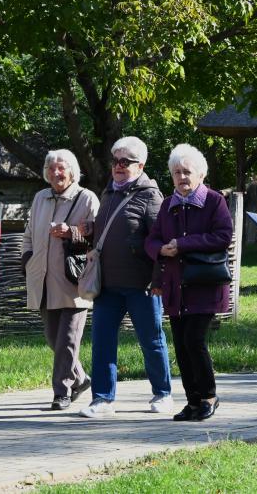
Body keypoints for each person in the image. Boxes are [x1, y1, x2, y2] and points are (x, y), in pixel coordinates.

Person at [78, 136, 173, 418]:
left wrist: (157, 281)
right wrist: (88, 231)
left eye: (125, 161)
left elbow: (161, 243)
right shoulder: (108, 193)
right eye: (115, 161)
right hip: (108, 284)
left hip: (141, 285)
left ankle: (163, 393)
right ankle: (103, 399)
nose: (118, 166)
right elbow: (108, 235)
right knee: (103, 341)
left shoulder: (151, 196)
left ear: (140, 165)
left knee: (151, 339)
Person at [145, 144, 233, 421]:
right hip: (175, 286)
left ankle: (208, 395)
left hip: (204, 284)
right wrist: (161, 250)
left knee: (195, 340)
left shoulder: (214, 201)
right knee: (181, 345)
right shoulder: (168, 206)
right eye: (176, 172)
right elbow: (152, 239)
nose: (182, 177)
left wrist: (182, 245)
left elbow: (223, 236)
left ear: (201, 174)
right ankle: (192, 401)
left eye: (187, 172)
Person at [22, 150, 100, 410]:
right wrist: (27, 258)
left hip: (74, 281)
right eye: (51, 168)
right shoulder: (40, 198)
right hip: (43, 280)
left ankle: (62, 391)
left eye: (61, 168)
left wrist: (73, 233)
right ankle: (81, 378)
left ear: (72, 170)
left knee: (67, 339)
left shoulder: (87, 198)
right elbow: (29, 233)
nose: (56, 173)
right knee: (53, 338)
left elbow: (99, 236)